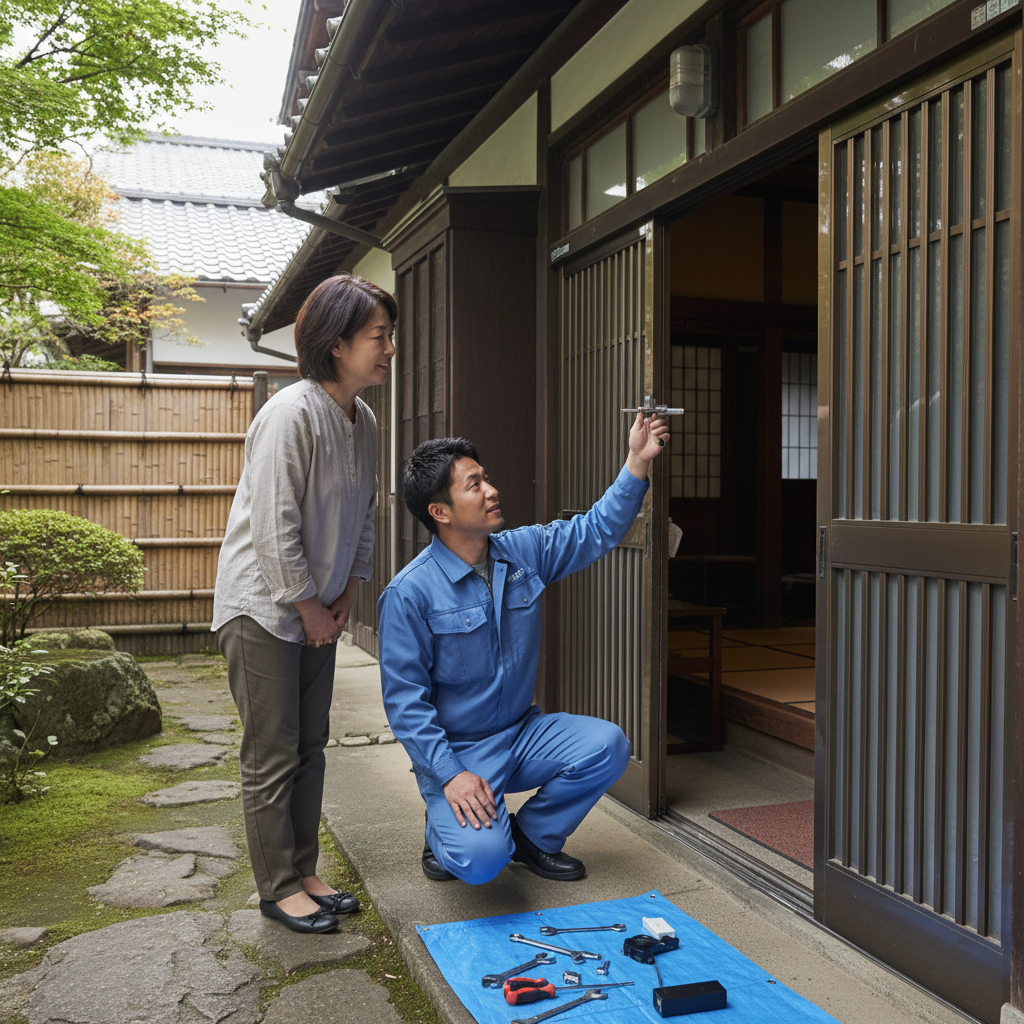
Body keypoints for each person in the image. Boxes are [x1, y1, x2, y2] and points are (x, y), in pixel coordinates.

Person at [377, 412, 668, 884]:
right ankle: (441, 833)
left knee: (608, 745)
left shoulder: (523, 551)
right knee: (481, 862)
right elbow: (405, 704)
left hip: (521, 734)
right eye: (474, 485)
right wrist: (450, 774)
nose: (491, 490)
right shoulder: (410, 594)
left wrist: (637, 461)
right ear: (440, 512)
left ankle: (534, 836)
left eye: (485, 478)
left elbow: (595, 531)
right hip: (460, 752)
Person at [212, 274, 396, 932]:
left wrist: (350, 586)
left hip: (320, 603)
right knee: (273, 749)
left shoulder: (365, 419)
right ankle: (277, 886)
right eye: (378, 337)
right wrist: (309, 605)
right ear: (337, 342)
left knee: (312, 745)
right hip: (262, 607)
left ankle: (305, 869)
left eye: (388, 336)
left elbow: (365, 513)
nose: (389, 349)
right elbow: (272, 525)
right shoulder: (290, 414)